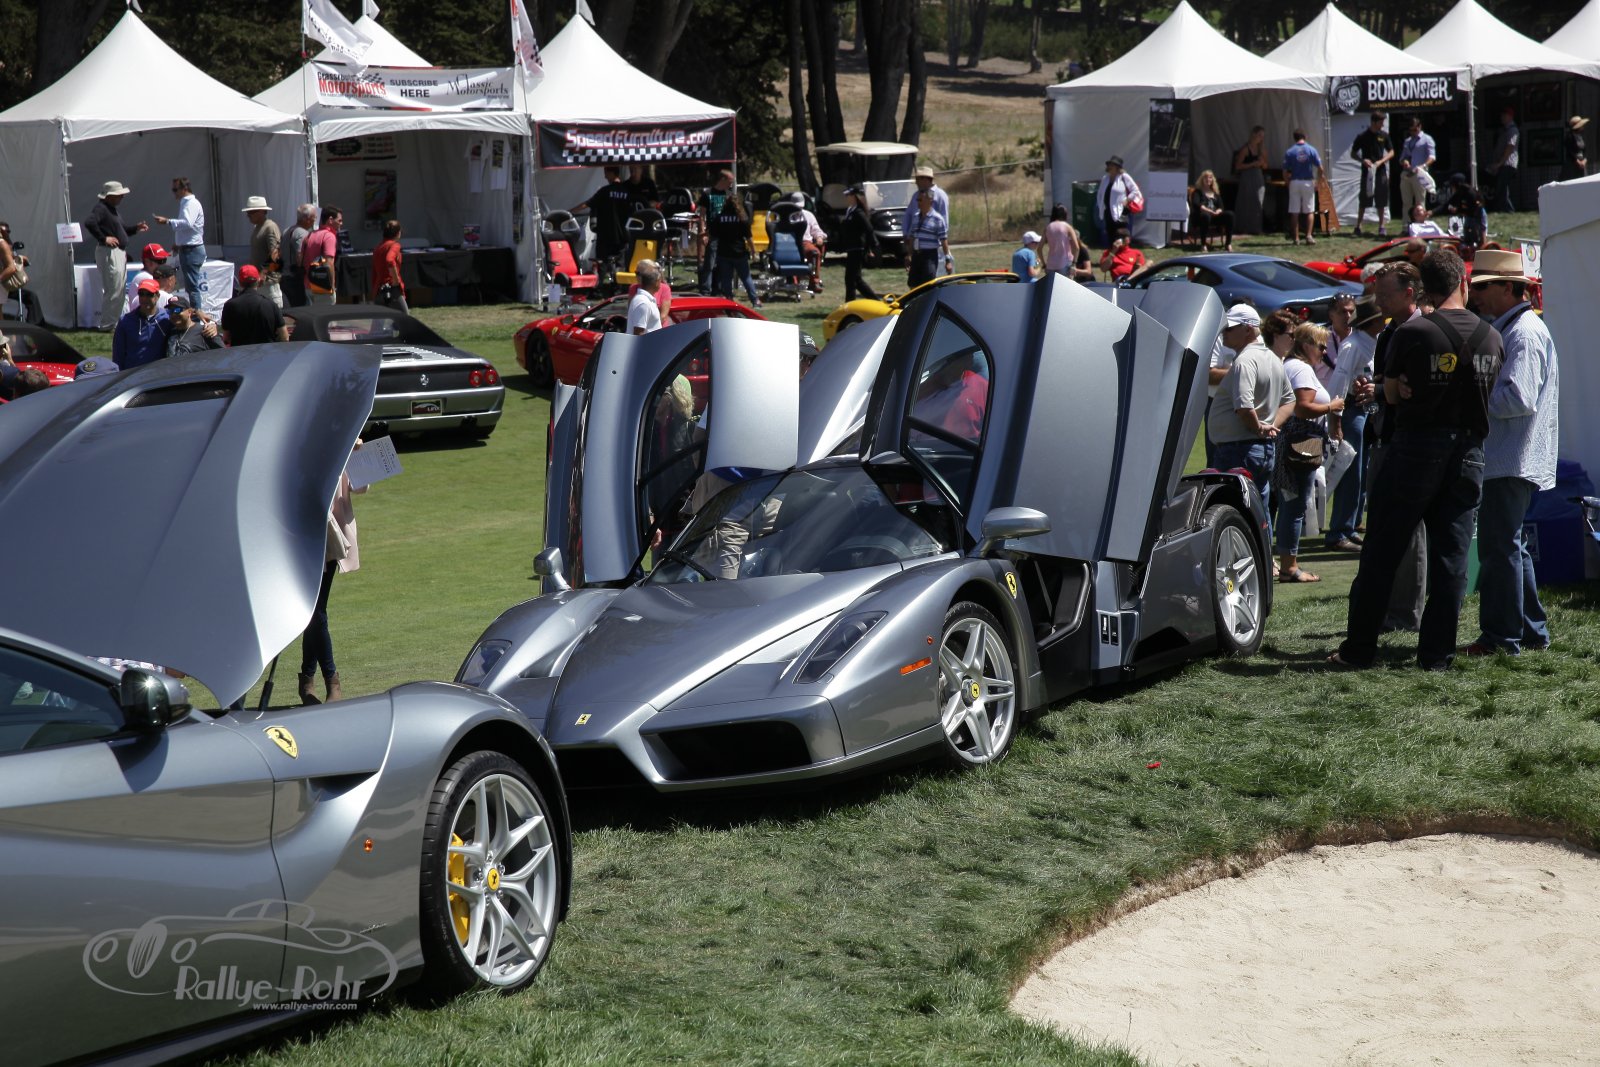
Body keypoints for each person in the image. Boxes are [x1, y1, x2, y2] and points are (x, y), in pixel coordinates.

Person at [1332, 247, 1502, 671]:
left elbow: (1391, 393)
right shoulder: (1492, 336)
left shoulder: (1414, 333)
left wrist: (1406, 388)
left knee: (1382, 552)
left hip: (1416, 449)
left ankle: (1359, 650)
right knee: (1451, 560)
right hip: (1469, 453)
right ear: (1463, 283)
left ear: (1425, 288)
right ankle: (1436, 656)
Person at [1466, 250, 1558, 656]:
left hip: (1510, 457)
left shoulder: (1523, 332)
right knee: (1509, 546)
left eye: (1484, 286)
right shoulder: (1517, 328)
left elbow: (1518, 399)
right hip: (1510, 456)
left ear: (1508, 288)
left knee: (1499, 548)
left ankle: (1502, 638)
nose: (1476, 294)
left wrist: (1467, 396)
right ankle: (1530, 632)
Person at [1366, 260, 1429, 633]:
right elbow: (1389, 383)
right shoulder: (1388, 334)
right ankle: (1386, 608)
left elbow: (1412, 387)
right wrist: (1373, 388)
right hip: (1385, 437)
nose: (1378, 301)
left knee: (1408, 532)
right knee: (1383, 528)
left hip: (1410, 442)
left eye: (1385, 294)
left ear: (1409, 293)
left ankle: (1405, 613)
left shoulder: (1424, 331)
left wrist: (1380, 389)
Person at [1209, 305, 1295, 528]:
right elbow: (1289, 401)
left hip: (1238, 450)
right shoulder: (1273, 358)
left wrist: (1260, 427)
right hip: (1258, 448)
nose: (1224, 332)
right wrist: (1269, 426)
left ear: (1247, 329)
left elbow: (1244, 407)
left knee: (1236, 513)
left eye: (1230, 328)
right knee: (1260, 514)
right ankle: (1264, 552)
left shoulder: (1245, 361)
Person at [1276, 323, 1345, 583]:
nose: (1324, 352)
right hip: (1302, 439)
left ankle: (1285, 563)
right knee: (1296, 505)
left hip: (1293, 438)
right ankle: (1290, 567)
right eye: (1321, 346)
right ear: (1306, 345)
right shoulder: (1301, 368)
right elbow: (1303, 407)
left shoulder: (1290, 365)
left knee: (1288, 503)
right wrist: (1332, 406)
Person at [300, 451, 365, 705]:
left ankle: (314, 680)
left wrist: (357, 454)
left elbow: (360, 487)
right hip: (303, 532)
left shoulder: (344, 447)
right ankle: (323, 680)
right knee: (313, 611)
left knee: (315, 610)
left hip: (332, 535)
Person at [1324, 297, 1384, 552]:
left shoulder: (1369, 342)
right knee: (1350, 472)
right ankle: (1339, 531)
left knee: (1361, 471)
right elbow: (1339, 381)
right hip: (1351, 410)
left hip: (1364, 410)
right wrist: (1335, 419)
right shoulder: (1354, 346)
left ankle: (1349, 526)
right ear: (1373, 321)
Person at [83, 180, 149, 330]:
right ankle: (107, 324)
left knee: (118, 289)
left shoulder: (110, 210)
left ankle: (113, 322)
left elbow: (122, 230)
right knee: (113, 289)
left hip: (116, 252)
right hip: (109, 252)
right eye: (119, 195)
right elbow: (89, 222)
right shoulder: (101, 208)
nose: (122, 197)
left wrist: (136, 228)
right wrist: (103, 238)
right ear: (110, 196)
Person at [152, 177, 207, 309]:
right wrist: (179, 243)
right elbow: (190, 228)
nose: (174, 192)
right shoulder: (187, 203)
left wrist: (167, 221)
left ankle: (196, 315)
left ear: (184, 189)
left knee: (192, 287)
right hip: (188, 248)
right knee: (191, 287)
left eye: (175, 189)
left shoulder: (191, 203)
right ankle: (195, 313)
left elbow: (188, 223)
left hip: (192, 250)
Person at [570, 166, 634, 275]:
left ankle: (603, 283)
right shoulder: (627, 192)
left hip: (605, 237)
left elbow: (586, 204)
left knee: (603, 266)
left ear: (611, 173)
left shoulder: (604, 191)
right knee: (620, 268)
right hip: (622, 238)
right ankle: (618, 283)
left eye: (606, 172)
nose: (605, 176)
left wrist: (569, 212)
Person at [709, 194, 760, 307]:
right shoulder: (742, 218)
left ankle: (729, 300)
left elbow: (713, 236)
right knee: (746, 278)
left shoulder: (719, 218)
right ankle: (755, 300)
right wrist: (753, 251)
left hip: (724, 253)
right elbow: (749, 238)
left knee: (726, 279)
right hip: (739, 253)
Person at [112, 278, 172, 369]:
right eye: (141, 294)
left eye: (149, 294)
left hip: (159, 373)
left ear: (157, 296)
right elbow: (118, 354)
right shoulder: (125, 321)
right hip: (132, 374)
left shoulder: (167, 318)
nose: (144, 298)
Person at [221, 264, 288, 347]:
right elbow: (285, 337)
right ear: (258, 280)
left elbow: (226, 338)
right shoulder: (271, 305)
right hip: (267, 353)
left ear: (240, 282)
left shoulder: (229, 306)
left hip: (241, 353)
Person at [1351, 111, 1394, 237]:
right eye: (1380, 122)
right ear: (1373, 122)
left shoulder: (1384, 135)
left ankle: (1381, 226)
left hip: (1380, 172)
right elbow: (1353, 153)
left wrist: (1382, 161)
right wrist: (1362, 160)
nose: (1382, 125)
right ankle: (1358, 226)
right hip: (1367, 172)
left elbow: (1392, 152)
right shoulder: (1362, 136)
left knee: (1381, 199)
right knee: (1364, 199)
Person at [837, 186, 878, 303]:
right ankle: (874, 301)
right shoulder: (850, 210)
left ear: (855, 197)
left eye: (848, 195)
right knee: (855, 280)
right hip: (852, 248)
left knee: (851, 279)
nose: (846, 197)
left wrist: (871, 246)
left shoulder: (858, 212)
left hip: (857, 248)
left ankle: (850, 304)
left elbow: (868, 228)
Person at [1283, 129, 1323, 246]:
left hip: (1295, 181)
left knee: (1294, 211)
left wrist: (1288, 183)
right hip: (1307, 181)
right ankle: (1308, 236)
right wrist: (1318, 182)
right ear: (1304, 136)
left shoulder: (1290, 151)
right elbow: (1320, 168)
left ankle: (1296, 238)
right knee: (1309, 210)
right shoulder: (1311, 149)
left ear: (1294, 138)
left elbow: (1284, 171)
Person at [697, 169, 735, 292]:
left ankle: (718, 288)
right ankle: (705, 289)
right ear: (722, 179)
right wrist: (703, 233)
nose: (731, 184)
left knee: (723, 262)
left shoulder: (729, 195)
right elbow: (702, 216)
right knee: (710, 262)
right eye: (730, 181)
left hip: (725, 234)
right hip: (712, 233)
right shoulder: (707, 194)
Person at [242, 196, 283, 308]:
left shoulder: (270, 226)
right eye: (248, 212)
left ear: (261, 211)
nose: (248, 215)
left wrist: (263, 273)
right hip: (259, 282)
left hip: (269, 282)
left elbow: (276, 253)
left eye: (251, 212)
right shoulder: (258, 228)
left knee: (272, 312)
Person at [905, 188, 949, 288]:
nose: (918, 202)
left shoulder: (937, 219)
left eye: (920, 200)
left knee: (928, 284)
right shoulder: (916, 217)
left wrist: (948, 260)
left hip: (929, 256)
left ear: (930, 201)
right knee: (913, 284)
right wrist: (909, 254)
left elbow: (944, 240)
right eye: (917, 200)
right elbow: (912, 237)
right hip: (916, 255)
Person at [1095, 156, 1141, 246]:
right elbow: (1100, 193)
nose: (1109, 167)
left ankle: (1122, 253)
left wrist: (1127, 200)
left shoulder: (1124, 177)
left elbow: (1135, 190)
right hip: (1108, 211)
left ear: (1117, 167)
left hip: (1120, 211)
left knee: (1120, 235)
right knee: (1110, 235)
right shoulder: (1105, 178)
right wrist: (1101, 205)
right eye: (1109, 165)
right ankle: (1112, 252)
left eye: (1112, 165)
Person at [301, 206, 343, 305]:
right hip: (323, 287)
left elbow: (300, 260)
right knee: (327, 315)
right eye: (339, 220)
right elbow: (329, 263)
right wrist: (332, 286)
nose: (341, 223)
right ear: (330, 220)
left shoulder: (309, 235)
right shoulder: (329, 236)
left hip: (307, 286)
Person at [1398, 116, 1437, 221]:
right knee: (1406, 202)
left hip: (1419, 173)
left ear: (1420, 127)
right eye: (1411, 130)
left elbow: (1432, 157)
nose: (1413, 132)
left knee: (1420, 202)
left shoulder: (1427, 139)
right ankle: (1406, 226)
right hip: (1407, 173)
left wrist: (1422, 166)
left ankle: (1421, 225)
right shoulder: (1408, 141)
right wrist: (1404, 161)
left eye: (1415, 130)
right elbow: (1402, 157)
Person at [1232, 125, 1268, 235]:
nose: (1261, 138)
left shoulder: (1262, 149)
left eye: (1262, 136)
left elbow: (1266, 166)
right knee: (1246, 202)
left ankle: (1256, 228)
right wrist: (1252, 164)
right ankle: (1244, 227)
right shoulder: (1245, 149)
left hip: (1258, 177)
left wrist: (1262, 163)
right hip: (1247, 177)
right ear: (1254, 134)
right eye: (1259, 135)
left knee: (1258, 201)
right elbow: (1237, 166)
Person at [902, 165, 950, 242]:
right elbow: (908, 214)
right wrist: (905, 234)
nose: (916, 183)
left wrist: (941, 239)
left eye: (918, 180)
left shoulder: (940, 195)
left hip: (932, 242)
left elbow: (944, 218)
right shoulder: (915, 195)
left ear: (925, 179)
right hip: (914, 240)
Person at [1188, 170, 1233, 251]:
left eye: (1210, 178)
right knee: (1206, 216)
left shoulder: (1215, 193)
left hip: (1214, 216)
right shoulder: (1197, 192)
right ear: (1202, 180)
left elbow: (1221, 206)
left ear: (1212, 180)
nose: (1208, 179)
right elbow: (1196, 204)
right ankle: (1203, 244)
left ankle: (1228, 243)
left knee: (1230, 215)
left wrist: (1218, 211)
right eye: (1206, 178)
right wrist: (1210, 211)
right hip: (1201, 216)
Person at [283, 203, 317, 308]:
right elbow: (300, 255)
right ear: (307, 219)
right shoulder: (302, 233)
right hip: (296, 279)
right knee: (301, 309)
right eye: (314, 217)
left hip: (285, 277)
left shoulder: (286, 230)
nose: (315, 219)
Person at [1487, 107, 1519, 213]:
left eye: (1504, 115)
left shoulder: (1513, 130)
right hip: (1502, 164)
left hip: (1508, 164)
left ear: (1510, 116)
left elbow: (1510, 147)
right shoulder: (1503, 130)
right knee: (1501, 187)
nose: (1502, 117)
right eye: (1502, 115)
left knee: (1502, 187)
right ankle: (1502, 209)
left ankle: (1509, 210)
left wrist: (1500, 163)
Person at [124, 243, 171, 312]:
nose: (164, 264)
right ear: (147, 262)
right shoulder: (145, 277)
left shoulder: (148, 275)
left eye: (165, 260)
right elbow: (162, 299)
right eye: (161, 261)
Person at [372, 219, 407, 311]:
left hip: (379, 290)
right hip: (391, 289)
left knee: (381, 319)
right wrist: (396, 281)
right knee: (404, 316)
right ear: (398, 233)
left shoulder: (378, 247)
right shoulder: (395, 245)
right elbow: (390, 260)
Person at [627, 260, 664, 334]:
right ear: (656, 282)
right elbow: (638, 333)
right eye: (660, 281)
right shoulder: (643, 303)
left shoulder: (645, 300)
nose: (661, 284)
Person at [1042, 203, 1078, 277]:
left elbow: (1039, 248)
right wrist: (1074, 263)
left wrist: (1044, 264)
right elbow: (1076, 247)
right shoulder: (1068, 227)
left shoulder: (1048, 227)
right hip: (1065, 263)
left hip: (1051, 264)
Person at [1561, 115, 1590, 181]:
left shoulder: (1580, 136)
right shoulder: (1569, 137)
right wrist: (1577, 161)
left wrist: (1584, 160)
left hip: (1581, 162)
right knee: (1572, 180)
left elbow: (1584, 150)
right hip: (1572, 163)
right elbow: (1570, 151)